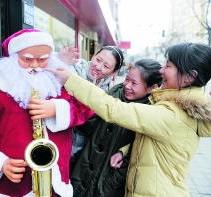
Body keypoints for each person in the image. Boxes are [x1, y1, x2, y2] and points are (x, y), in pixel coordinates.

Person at [28, 42, 211, 197]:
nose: (162, 70)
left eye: (169, 66)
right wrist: (125, 150)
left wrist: (72, 80)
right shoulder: (173, 107)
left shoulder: (172, 114)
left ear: (189, 76)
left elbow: (113, 109)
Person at [0, 29, 94, 197]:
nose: (34, 65)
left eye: (42, 59)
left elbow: (87, 108)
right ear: (12, 57)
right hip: (15, 186)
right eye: (26, 59)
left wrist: (57, 109)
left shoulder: (60, 80)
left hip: (56, 182)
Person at [69, 59, 163, 197]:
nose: (127, 85)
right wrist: (87, 107)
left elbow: (140, 152)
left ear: (152, 88)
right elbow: (88, 128)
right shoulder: (113, 93)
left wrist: (116, 176)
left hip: (108, 181)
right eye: (127, 79)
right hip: (83, 170)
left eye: (134, 83)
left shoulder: (150, 113)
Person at [58, 45, 124, 165]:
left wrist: (93, 98)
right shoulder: (71, 69)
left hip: (78, 152)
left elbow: (92, 128)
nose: (98, 67)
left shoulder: (107, 95)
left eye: (106, 66)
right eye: (98, 60)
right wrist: (59, 61)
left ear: (113, 72)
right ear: (93, 56)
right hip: (56, 140)